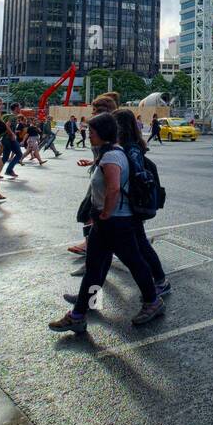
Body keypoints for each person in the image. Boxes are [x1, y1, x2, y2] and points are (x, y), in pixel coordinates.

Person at [50, 113, 163, 333]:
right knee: (95, 267)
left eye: (91, 132)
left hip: (116, 222)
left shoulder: (111, 156)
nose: (89, 135)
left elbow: (113, 188)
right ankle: (78, 314)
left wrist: (106, 213)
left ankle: (153, 301)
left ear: (102, 133)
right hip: (108, 222)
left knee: (135, 262)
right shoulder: (112, 152)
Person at [110, 109, 171, 299]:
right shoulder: (127, 146)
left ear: (120, 126)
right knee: (134, 245)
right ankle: (86, 298)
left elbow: (137, 176)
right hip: (125, 206)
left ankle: (159, 283)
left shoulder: (131, 148)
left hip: (131, 205)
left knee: (140, 245)